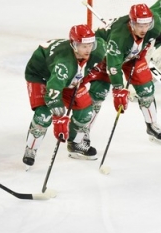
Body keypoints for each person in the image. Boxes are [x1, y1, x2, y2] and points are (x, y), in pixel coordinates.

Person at [22, 25, 106, 166]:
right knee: (44, 115)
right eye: (83, 46)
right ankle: (31, 149)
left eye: (90, 45)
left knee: (86, 111)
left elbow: (112, 56)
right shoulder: (64, 65)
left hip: (68, 77)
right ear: (74, 45)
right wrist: (59, 119)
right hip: (41, 75)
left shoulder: (99, 48)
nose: (88, 49)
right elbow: (52, 96)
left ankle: (76, 143)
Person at [90, 4, 161, 144]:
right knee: (98, 94)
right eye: (140, 25)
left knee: (146, 89)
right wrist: (119, 90)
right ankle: (79, 137)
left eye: (147, 25)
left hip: (132, 56)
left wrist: (142, 50)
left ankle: (152, 124)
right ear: (131, 23)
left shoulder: (156, 25)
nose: (144, 29)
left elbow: (150, 40)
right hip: (105, 57)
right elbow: (113, 67)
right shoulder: (118, 38)